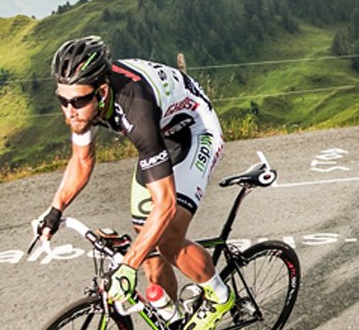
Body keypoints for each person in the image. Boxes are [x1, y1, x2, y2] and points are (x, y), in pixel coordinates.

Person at [31, 36, 233, 328]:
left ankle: (218, 294)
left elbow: (165, 206)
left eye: (77, 101)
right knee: (146, 242)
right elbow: (82, 161)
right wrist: (55, 209)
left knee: (166, 237)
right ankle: (173, 319)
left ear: (101, 92)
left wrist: (127, 265)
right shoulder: (86, 106)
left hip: (195, 130)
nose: (69, 110)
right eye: (62, 100)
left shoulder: (135, 108)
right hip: (161, 134)